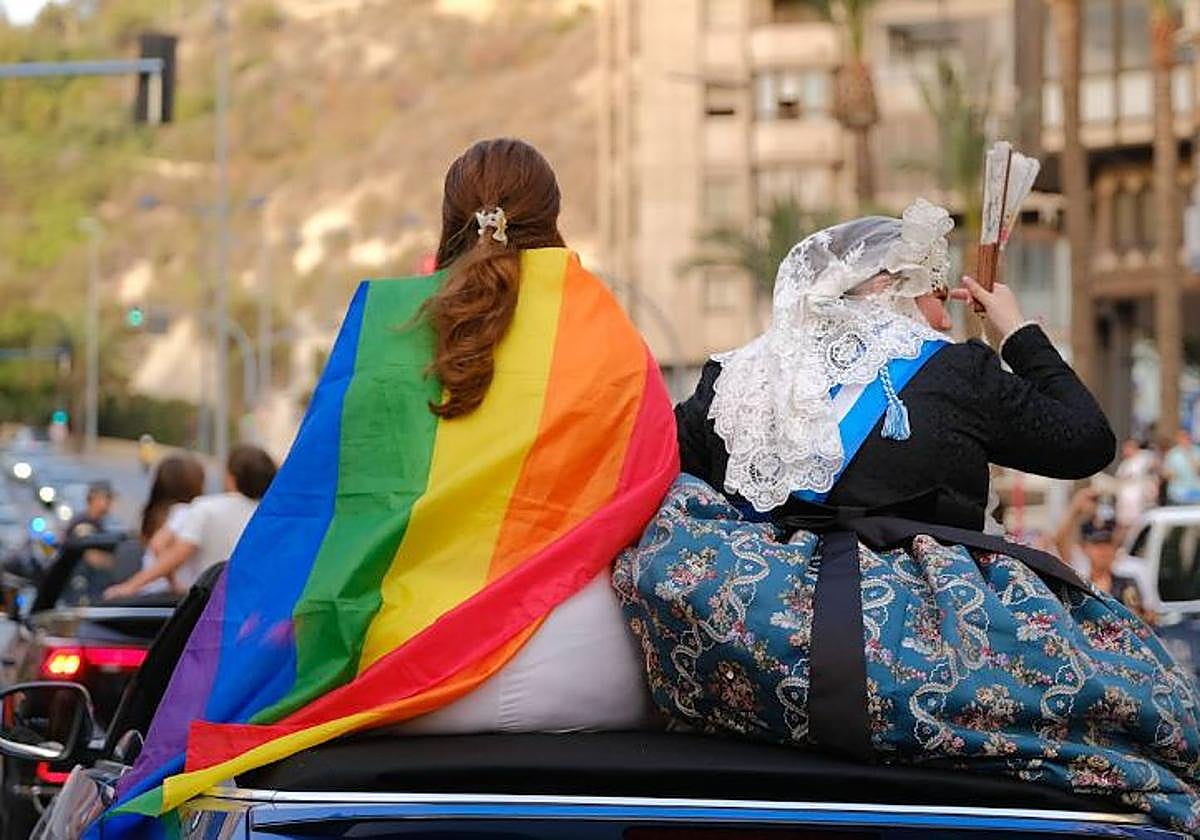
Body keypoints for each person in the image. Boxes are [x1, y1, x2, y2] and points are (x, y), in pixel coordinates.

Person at [104, 139, 678, 828]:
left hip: (405, 681)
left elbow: (317, 515)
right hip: (587, 677)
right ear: (552, 218)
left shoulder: (384, 327)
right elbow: (652, 488)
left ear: (449, 217)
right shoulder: (607, 331)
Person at [615, 203, 1200, 834]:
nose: (945, 318)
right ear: (890, 292)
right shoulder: (955, 372)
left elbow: (652, 473)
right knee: (1149, 702)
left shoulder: (732, 381)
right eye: (936, 298)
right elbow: (1087, 441)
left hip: (753, 652)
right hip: (925, 655)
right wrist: (1017, 331)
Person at [103, 445, 275, 598]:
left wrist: (130, 586)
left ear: (231, 477)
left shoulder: (206, 508)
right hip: (251, 605)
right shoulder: (272, 516)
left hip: (207, 604)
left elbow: (176, 554)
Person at [121, 454, 208, 594]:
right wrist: (174, 583)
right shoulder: (187, 511)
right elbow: (158, 545)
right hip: (170, 595)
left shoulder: (156, 515)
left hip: (151, 592)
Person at [1054, 486, 1146, 617]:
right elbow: (1060, 541)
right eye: (1097, 545)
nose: (1103, 551)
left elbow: (1137, 618)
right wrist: (1076, 508)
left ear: (1115, 549)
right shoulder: (1079, 580)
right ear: (1085, 549)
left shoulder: (1127, 582)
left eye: (1108, 545)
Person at [1115, 438, 1159, 529]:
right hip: (1126, 496)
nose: (1125, 451)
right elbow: (1119, 478)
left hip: (1141, 494)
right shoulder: (1125, 464)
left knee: (1139, 522)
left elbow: (1155, 466)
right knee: (1125, 523)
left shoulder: (1144, 456)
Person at [1164, 429, 1200, 505]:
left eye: (1187, 437)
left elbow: (1198, 471)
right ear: (1178, 440)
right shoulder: (1172, 454)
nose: (1185, 440)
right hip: (1178, 489)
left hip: (1196, 488)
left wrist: (1189, 454)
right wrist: (1169, 474)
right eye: (1182, 437)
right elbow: (1165, 474)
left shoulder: (1197, 451)